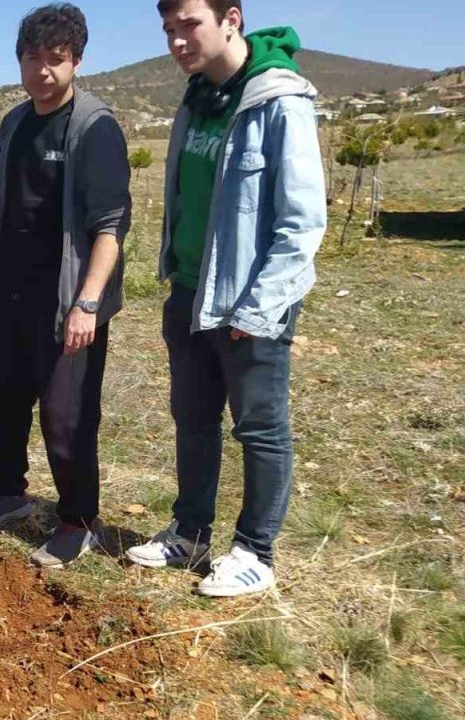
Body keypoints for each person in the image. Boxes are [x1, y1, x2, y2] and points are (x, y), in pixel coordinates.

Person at [125, 0, 326, 597]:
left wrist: (260, 308)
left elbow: (301, 222)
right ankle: (189, 532)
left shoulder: (276, 101)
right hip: (189, 291)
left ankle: (256, 552)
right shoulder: (197, 98)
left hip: (250, 303)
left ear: (231, 18)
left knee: (260, 429)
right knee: (193, 419)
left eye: (189, 23)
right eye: (168, 29)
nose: (178, 39)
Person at [0, 3, 131, 569]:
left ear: (77, 61)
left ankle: (78, 520)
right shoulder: (13, 124)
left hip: (65, 302)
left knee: (67, 418)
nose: (43, 71)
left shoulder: (94, 127)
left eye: (56, 60)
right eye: (33, 59)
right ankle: (7, 493)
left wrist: (87, 302)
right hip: (9, 291)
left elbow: (110, 228)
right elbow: (0, 208)